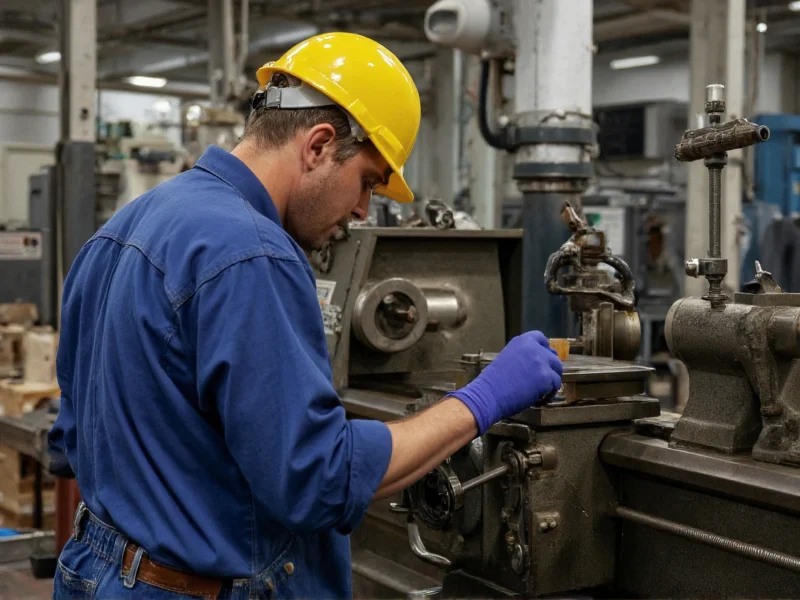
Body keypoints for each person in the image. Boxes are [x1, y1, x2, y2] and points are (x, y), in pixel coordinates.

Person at [50, 32, 563, 599]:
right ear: (319, 145)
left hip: (96, 571)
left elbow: (68, 438)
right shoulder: (253, 252)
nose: (363, 209)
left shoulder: (123, 227)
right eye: (367, 181)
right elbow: (317, 480)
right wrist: (484, 398)